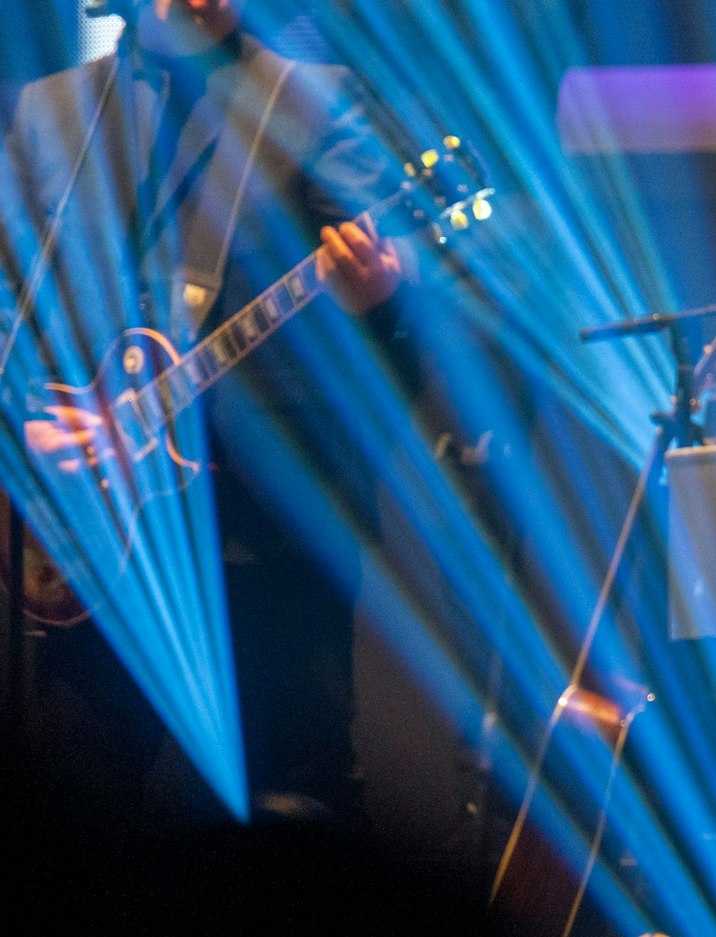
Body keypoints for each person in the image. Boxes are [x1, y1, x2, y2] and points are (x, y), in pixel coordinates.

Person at [2, 0, 411, 830]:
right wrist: (25, 426)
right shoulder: (53, 110)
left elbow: (395, 338)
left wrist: (380, 299)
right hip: (93, 542)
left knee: (294, 807)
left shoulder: (317, 100)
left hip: (263, 541)